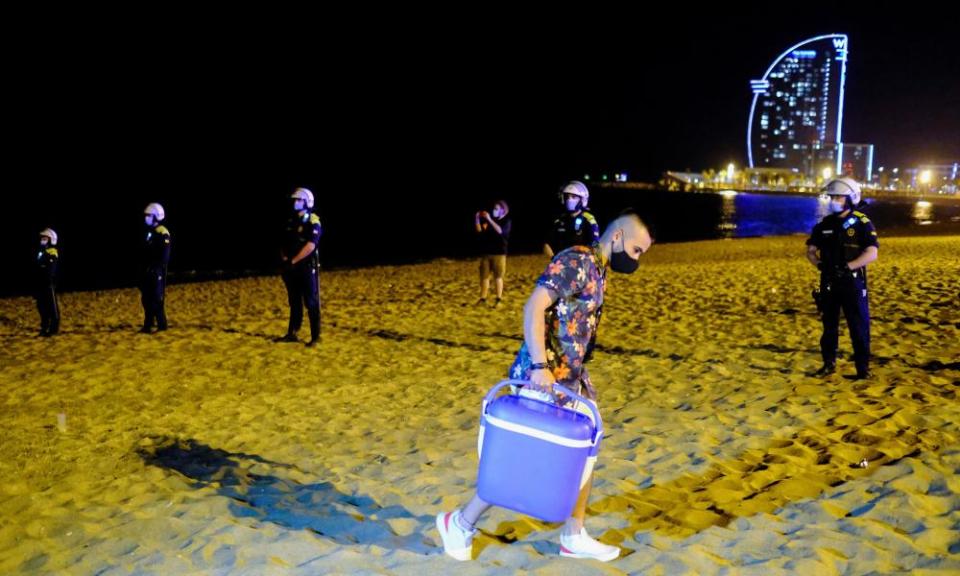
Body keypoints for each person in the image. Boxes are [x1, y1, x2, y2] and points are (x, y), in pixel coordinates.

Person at [437, 212, 654, 562]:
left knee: (586, 449)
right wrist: (539, 365)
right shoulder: (576, 261)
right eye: (636, 249)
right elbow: (533, 306)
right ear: (617, 237)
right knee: (521, 458)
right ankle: (460, 522)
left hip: (569, 379)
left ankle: (573, 534)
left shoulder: (599, 269)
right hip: (542, 376)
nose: (636, 258)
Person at [806, 177, 879, 379]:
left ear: (850, 198)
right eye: (832, 196)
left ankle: (862, 370)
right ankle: (828, 364)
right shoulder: (824, 225)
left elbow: (872, 253)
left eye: (838, 196)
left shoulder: (862, 223)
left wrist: (848, 268)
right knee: (829, 326)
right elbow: (811, 251)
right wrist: (819, 265)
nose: (834, 200)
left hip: (852, 283)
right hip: (829, 282)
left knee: (859, 326)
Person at [280, 187, 322, 347]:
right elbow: (283, 243)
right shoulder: (290, 221)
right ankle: (293, 333)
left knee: (311, 301)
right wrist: (285, 260)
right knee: (294, 301)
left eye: (298, 200)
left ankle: (316, 337)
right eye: (294, 200)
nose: (295, 203)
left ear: (307, 202)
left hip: (305, 266)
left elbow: (311, 245)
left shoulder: (313, 220)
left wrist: (294, 260)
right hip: (291, 267)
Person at [544, 180, 600, 257]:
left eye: (574, 197)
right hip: (562, 263)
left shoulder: (588, 219)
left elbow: (595, 244)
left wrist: (599, 266)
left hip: (583, 262)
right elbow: (547, 244)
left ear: (582, 200)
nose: (569, 200)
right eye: (567, 197)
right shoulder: (559, 221)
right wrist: (554, 260)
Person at [474, 200, 512, 307]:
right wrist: (477, 219)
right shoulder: (489, 221)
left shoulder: (506, 221)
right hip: (486, 253)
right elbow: (480, 231)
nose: (494, 210)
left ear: (502, 210)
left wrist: (489, 219)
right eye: (494, 208)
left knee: (498, 277)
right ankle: (483, 299)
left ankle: (498, 299)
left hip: (499, 254)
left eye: (496, 209)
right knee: (484, 277)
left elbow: (500, 231)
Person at [140, 203, 171, 333]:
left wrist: (156, 267)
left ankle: (162, 325)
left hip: (157, 270)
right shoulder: (150, 232)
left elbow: (164, 255)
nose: (146, 218)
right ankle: (148, 324)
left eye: (148, 215)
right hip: (148, 269)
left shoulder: (162, 232)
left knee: (157, 298)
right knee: (146, 298)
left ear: (156, 216)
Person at [35, 228, 60, 337]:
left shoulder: (52, 252)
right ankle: (44, 326)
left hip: (48, 283)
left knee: (52, 306)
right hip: (40, 283)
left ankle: (53, 329)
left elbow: (49, 269)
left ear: (51, 240)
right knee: (41, 306)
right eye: (42, 238)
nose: (42, 240)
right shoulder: (42, 251)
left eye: (45, 238)